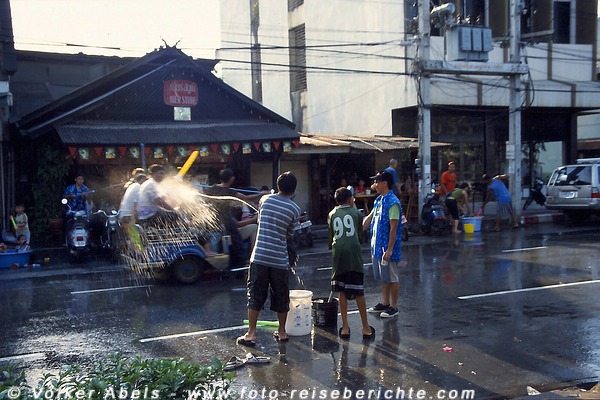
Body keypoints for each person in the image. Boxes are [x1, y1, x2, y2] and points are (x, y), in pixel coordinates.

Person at [237, 171, 302, 347]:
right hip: (279, 260)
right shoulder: (295, 210)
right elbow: (290, 235)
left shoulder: (265, 200)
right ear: (294, 190)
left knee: (255, 295)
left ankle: (250, 334)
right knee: (281, 296)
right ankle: (282, 332)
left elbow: (260, 219)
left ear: (278, 186)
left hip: (259, 257)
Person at [328, 187, 374, 340]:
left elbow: (331, 238)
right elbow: (359, 235)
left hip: (338, 256)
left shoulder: (332, 214)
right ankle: (366, 327)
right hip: (353, 256)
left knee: (341, 290)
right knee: (358, 291)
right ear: (350, 199)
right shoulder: (356, 213)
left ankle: (345, 327)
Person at [362, 170, 403, 318]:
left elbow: (394, 228)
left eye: (376, 182)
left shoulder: (393, 203)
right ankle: (385, 303)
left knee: (392, 277)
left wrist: (390, 249)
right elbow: (370, 217)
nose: (374, 185)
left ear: (385, 183)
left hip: (387, 247)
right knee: (383, 277)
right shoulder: (379, 200)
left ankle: (394, 306)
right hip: (377, 246)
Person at [203, 168, 268, 255]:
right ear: (232, 179)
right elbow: (247, 198)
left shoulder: (212, 188)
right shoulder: (230, 192)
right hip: (224, 224)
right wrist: (262, 194)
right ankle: (249, 258)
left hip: (213, 223)